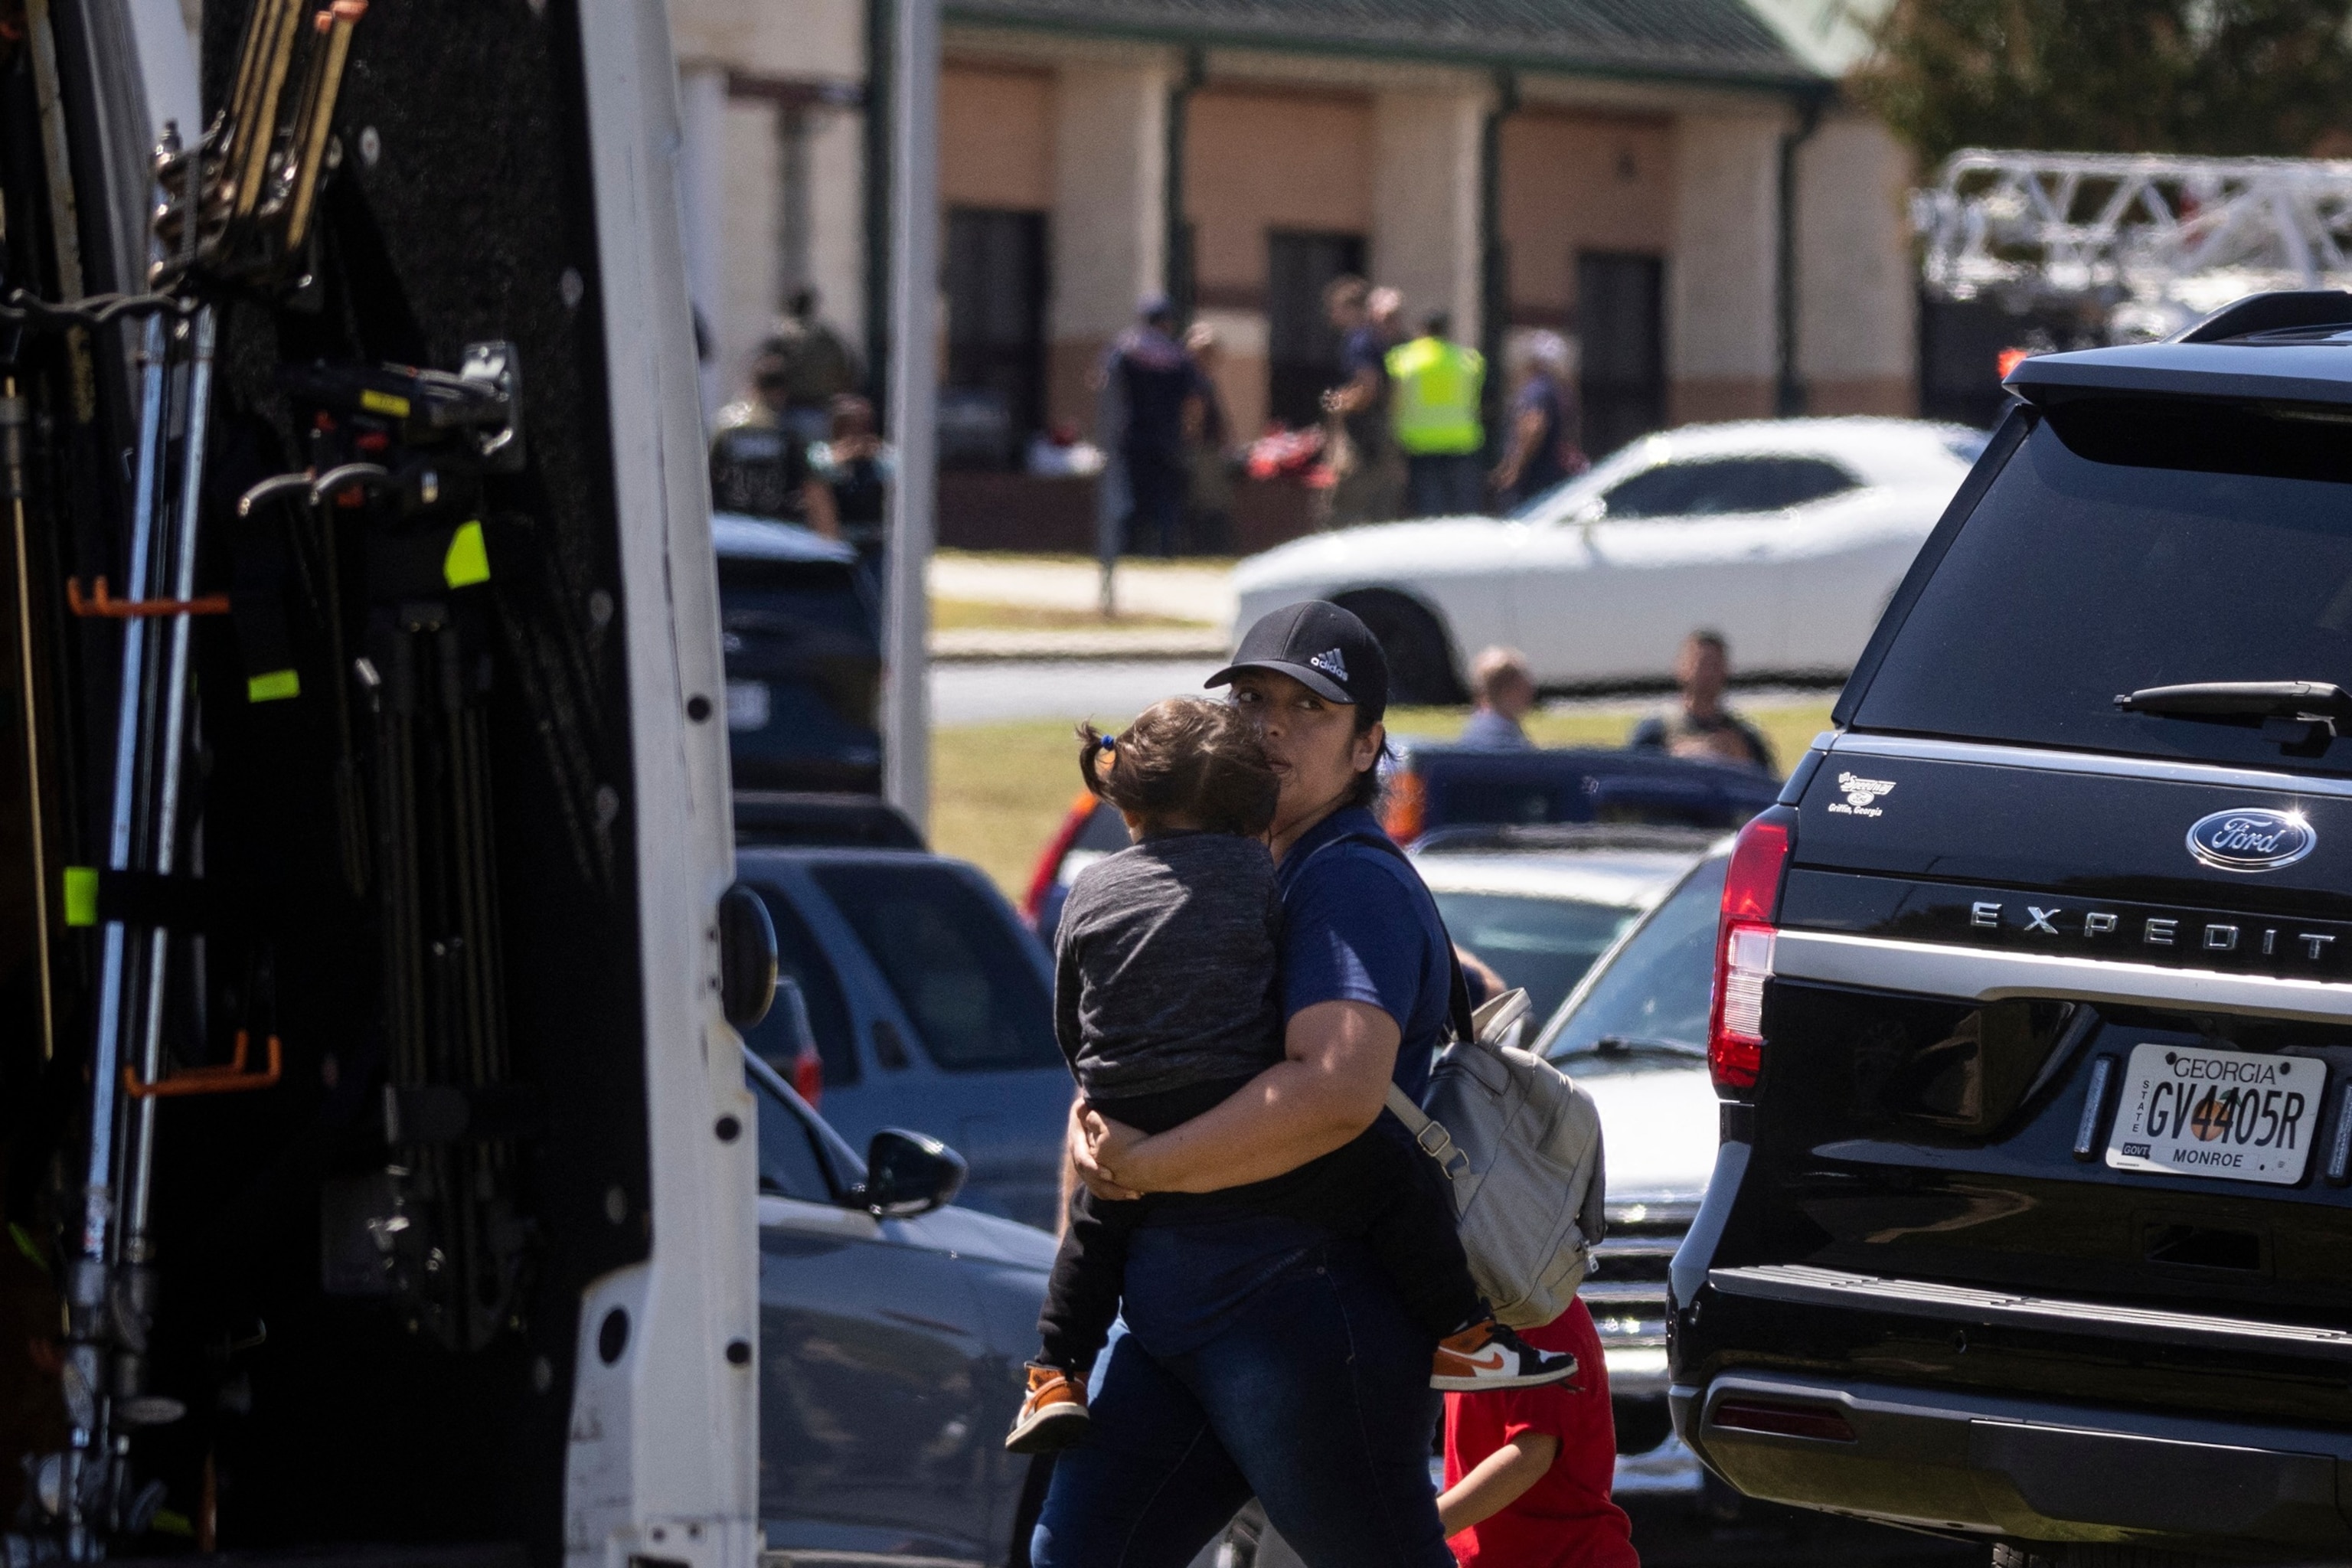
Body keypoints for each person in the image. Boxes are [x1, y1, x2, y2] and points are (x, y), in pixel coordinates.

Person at [1032, 601, 1562, 1568]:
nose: (1272, 727)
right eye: (1253, 700)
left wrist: (1144, 1161)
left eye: (1309, 709)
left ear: (1367, 747)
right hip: (1183, 1316)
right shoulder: (1232, 867)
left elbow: (1338, 1086)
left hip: (1298, 1316)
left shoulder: (1345, 878)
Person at [1438, 1299, 1639, 1568]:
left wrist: (1423, 1528)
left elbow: (1531, 1455)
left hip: (1567, 1558)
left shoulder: (1545, 1318)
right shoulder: (1475, 1318)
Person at [1103, 296, 1207, 558]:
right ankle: (1164, 550)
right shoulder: (1178, 357)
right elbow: (1196, 398)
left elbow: (1103, 385)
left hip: (1133, 435)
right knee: (1167, 496)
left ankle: (1131, 549)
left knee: (1135, 496)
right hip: (1168, 437)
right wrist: (1190, 432)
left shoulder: (1125, 352)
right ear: (1168, 323)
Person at [708, 342, 840, 534]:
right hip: (780, 535)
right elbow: (814, 490)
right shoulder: (789, 434)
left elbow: (708, 476)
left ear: (753, 385)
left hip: (730, 531)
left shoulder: (726, 428)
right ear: (783, 391)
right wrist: (831, 539)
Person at [1319, 276, 1404, 528]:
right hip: (1379, 434)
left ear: (1351, 308)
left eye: (1336, 308)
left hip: (1363, 438)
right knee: (1379, 509)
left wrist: (1338, 404)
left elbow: (1368, 388)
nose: (1332, 314)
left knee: (1342, 508)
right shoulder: (1375, 339)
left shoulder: (1359, 341)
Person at [1628, 629, 1775, 773]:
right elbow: (1635, 782)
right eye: (1701, 664)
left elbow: (1770, 789)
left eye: (1715, 665)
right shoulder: (1656, 732)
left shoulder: (1745, 737)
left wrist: (1741, 760)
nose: (1708, 673)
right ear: (1681, 668)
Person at [1388, 312, 1487, 518]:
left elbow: (1396, 403)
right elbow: (1476, 400)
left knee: (1429, 511)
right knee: (1464, 511)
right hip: (1462, 441)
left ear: (1422, 330)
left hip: (1420, 444)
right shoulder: (1468, 360)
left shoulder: (1405, 359)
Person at [1492, 333, 1586, 510]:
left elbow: (1533, 425)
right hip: (1550, 473)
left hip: (1533, 478)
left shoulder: (1537, 389)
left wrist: (1516, 467)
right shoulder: (1558, 390)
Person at [808, 392, 893, 587]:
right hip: (836, 540)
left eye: (862, 427)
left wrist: (871, 456)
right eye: (850, 426)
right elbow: (816, 474)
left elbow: (895, 473)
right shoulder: (821, 454)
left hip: (874, 539)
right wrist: (844, 457)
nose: (857, 433)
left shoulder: (880, 458)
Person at [769, 286, 862, 445]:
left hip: (787, 412)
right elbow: (850, 370)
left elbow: (766, 372)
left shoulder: (782, 336)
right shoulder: (828, 336)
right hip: (821, 413)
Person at [1181, 321, 1236, 555]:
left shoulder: (1204, 379)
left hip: (1209, 449)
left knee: (1212, 503)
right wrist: (1189, 445)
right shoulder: (1193, 379)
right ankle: (1210, 550)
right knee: (1209, 503)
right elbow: (1194, 415)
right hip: (1202, 451)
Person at [1460, 648, 1536, 750]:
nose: (1530, 694)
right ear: (1506, 690)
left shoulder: (1483, 723)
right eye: (1523, 688)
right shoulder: (1495, 735)